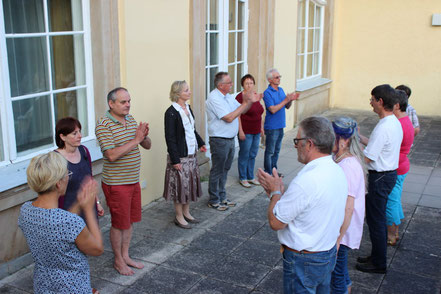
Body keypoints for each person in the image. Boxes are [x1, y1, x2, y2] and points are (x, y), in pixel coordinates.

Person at [258, 116, 348, 294]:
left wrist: (276, 192)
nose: (295, 145)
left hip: (304, 259)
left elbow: (276, 222)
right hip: (326, 251)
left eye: (297, 140)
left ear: (309, 144)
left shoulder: (306, 180)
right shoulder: (337, 169)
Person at [18, 152, 103, 293]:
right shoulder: (70, 222)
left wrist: (79, 204)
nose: (68, 177)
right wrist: (89, 209)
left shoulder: (25, 211)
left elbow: (59, 224)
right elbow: (97, 249)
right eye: (66, 174)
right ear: (58, 183)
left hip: (43, 286)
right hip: (73, 288)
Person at [95, 87, 152, 276]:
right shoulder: (103, 124)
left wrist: (143, 136)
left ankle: (126, 255)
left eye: (129, 101)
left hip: (132, 180)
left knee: (130, 221)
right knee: (119, 223)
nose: (128, 105)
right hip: (116, 184)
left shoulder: (130, 119)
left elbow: (148, 146)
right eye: (123, 102)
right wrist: (136, 140)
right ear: (111, 104)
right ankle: (118, 261)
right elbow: (111, 155)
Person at [357, 84, 403, 274]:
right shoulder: (393, 122)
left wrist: (348, 151)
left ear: (381, 101)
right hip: (387, 175)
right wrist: (358, 138)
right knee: (377, 219)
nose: (371, 103)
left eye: (373, 99)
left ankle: (379, 263)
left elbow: (368, 157)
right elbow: (377, 147)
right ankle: (377, 256)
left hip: (380, 177)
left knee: (376, 221)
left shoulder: (384, 127)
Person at [205, 72, 259, 211]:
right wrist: (245, 103)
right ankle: (214, 199)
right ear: (221, 85)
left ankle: (222, 196)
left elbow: (241, 110)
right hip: (219, 140)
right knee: (217, 170)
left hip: (229, 139)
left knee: (225, 169)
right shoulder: (214, 98)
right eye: (229, 82)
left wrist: (250, 102)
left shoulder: (227, 96)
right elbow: (228, 117)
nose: (232, 84)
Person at [163, 80, 207, 229]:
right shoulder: (171, 112)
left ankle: (187, 212)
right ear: (178, 93)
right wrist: (175, 160)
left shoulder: (188, 108)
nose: (189, 92)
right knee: (180, 187)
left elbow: (191, 130)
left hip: (191, 154)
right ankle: (179, 215)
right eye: (186, 90)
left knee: (189, 185)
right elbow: (170, 138)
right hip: (180, 157)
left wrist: (200, 143)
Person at [330, 117, 366, 294]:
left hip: (343, 231)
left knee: (336, 276)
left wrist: (338, 239)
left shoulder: (348, 166)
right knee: (341, 272)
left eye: (332, 137)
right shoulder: (341, 160)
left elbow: (348, 207)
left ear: (343, 142)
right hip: (341, 229)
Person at [55, 117, 104, 219]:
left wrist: (97, 202)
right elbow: (52, 193)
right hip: (69, 213)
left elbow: (89, 178)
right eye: (74, 133)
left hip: (89, 210)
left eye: (79, 132)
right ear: (63, 137)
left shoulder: (84, 151)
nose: (80, 136)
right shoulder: (55, 159)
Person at [386, 90, 414, 246]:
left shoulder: (399, 124)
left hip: (397, 167)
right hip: (402, 165)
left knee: (391, 203)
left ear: (396, 105)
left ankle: (391, 234)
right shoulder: (405, 121)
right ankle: (395, 232)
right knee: (395, 201)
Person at [263, 68, 299, 175]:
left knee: (277, 150)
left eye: (279, 77)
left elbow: (286, 106)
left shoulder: (281, 90)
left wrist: (290, 100)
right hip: (272, 127)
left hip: (280, 125)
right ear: (270, 80)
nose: (279, 79)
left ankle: (274, 170)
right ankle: (268, 172)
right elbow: (273, 109)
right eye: (276, 77)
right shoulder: (267, 93)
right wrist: (286, 100)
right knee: (270, 151)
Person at [236, 74, 264, 188]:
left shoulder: (256, 96)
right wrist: (240, 131)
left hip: (256, 130)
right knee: (244, 154)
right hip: (246, 131)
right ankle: (243, 177)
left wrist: (261, 128)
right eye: (247, 83)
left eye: (251, 83)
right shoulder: (239, 97)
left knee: (252, 154)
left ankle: (250, 176)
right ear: (242, 85)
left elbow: (260, 112)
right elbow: (237, 115)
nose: (249, 85)